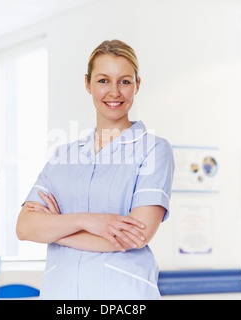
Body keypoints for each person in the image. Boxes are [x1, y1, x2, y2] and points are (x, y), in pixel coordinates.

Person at [16, 40, 175, 299]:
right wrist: (87, 220)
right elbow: (25, 227)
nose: (114, 92)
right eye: (103, 81)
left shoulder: (154, 150)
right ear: (88, 84)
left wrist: (57, 230)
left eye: (124, 81)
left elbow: (136, 236)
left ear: (137, 85)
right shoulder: (63, 155)